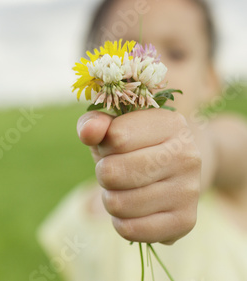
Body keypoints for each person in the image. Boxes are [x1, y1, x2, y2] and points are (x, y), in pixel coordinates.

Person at [38, 0, 247, 280]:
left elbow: (231, 145)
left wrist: (202, 149)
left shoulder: (232, 191)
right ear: (93, 72)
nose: (146, 64)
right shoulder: (76, 218)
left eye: (176, 53)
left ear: (210, 81)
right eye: (126, 52)